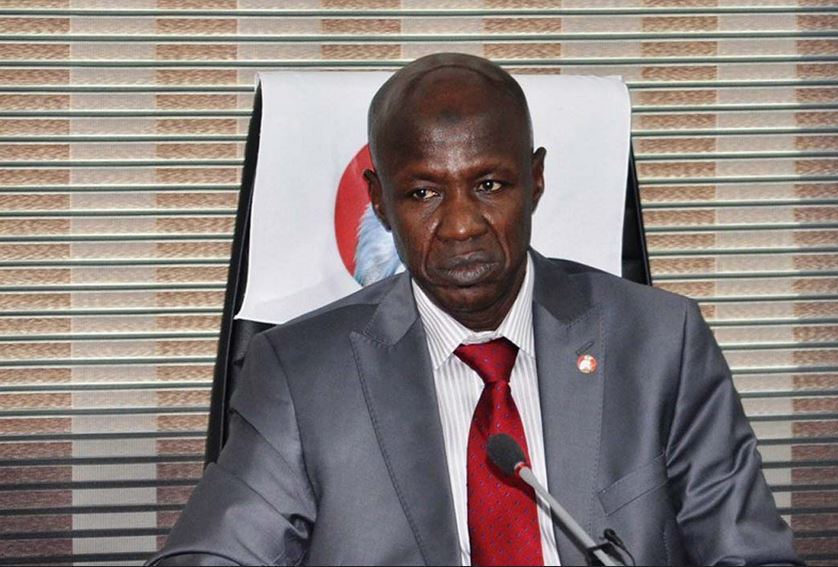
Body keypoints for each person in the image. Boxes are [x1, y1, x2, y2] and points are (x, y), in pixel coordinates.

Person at [149, 53, 800, 566]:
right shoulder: (299, 374)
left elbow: (750, 553)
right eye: (423, 192)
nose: (461, 225)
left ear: (535, 179)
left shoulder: (662, 344)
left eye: (489, 184)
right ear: (378, 201)